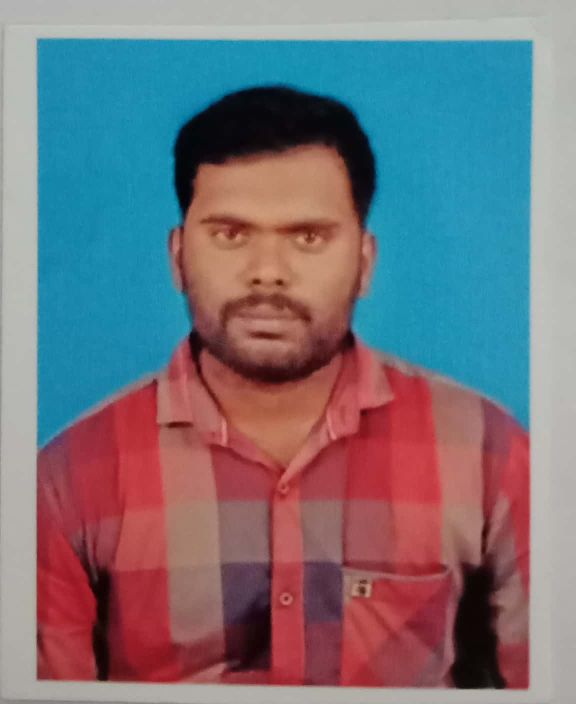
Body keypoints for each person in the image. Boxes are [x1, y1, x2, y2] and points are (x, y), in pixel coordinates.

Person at [37, 86, 529, 688]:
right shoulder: (68, 480)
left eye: (308, 237)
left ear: (365, 263)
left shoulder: (487, 452)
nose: (267, 272)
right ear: (178, 257)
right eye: (230, 234)